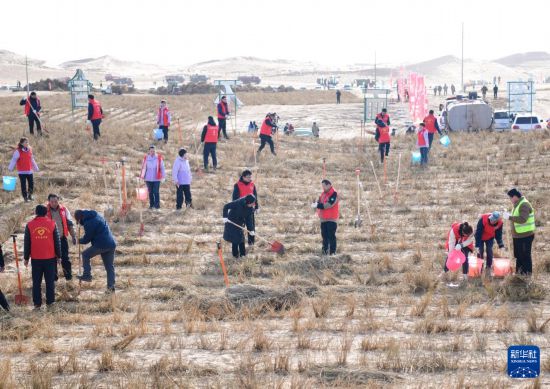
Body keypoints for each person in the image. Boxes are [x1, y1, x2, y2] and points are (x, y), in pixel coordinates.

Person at [24, 205, 62, 309]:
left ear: (36, 212)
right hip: (50, 258)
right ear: (46, 212)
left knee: (36, 282)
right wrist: (59, 256)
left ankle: (37, 304)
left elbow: (27, 242)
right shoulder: (52, 224)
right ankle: (50, 303)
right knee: (50, 282)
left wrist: (26, 258)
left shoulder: (29, 225)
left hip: (36, 259)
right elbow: (57, 242)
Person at [74, 210, 117, 292]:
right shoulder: (96, 215)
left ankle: (87, 275)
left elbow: (87, 239)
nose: (80, 224)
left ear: (80, 219)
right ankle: (111, 288)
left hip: (101, 244)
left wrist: (78, 240)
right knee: (109, 267)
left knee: (85, 255)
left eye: (78, 222)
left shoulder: (88, 222)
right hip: (111, 243)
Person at [503, 188, 535, 275]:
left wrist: (509, 217)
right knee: (518, 256)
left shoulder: (523, 204)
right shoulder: (517, 204)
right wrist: (509, 215)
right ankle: (519, 274)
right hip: (518, 236)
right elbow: (516, 217)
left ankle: (527, 275)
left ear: (515, 196)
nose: (510, 200)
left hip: (525, 236)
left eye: (510, 198)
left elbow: (522, 219)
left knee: (525, 256)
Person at [46, 194, 77, 281]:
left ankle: (68, 277)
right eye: (52, 202)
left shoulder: (64, 210)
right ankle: (54, 279)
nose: (54, 203)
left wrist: (73, 236)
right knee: (52, 260)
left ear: (58, 200)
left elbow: (70, 224)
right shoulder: (45, 211)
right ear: (48, 202)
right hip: (50, 240)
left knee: (65, 258)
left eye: (56, 201)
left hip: (62, 238)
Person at [311, 180, 339, 255]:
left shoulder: (334, 194)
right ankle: (324, 252)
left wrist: (318, 205)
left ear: (329, 185)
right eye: (322, 186)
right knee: (324, 237)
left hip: (331, 219)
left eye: (324, 186)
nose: (323, 187)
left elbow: (329, 204)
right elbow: (319, 203)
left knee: (331, 237)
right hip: (323, 220)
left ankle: (332, 253)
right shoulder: (323, 194)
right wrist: (315, 204)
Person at [232, 170, 259, 248]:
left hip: (250, 210)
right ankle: (241, 244)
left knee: (251, 227)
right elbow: (235, 198)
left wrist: (256, 207)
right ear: (243, 177)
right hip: (241, 210)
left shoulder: (252, 184)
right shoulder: (237, 185)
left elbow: (255, 196)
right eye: (248, 177)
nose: (250, 179)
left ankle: (251, 243)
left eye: (250, 177)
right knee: (240, 228)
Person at [8, 137, 39, 202]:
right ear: (22, 143)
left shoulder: (29, 150)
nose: (27, 143)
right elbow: (14, 160)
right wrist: (10, 168)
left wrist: (36, 167)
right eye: (25, 142)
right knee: (23, 185)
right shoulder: (18, 151)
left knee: (31, 183)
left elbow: (32, 159)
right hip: (22, 172)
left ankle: (30, 195)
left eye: (27, 142)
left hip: (29, 171)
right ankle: (25, 197)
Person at [475, 211, 505, 275]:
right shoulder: (483, 219)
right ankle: (480, 267)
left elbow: (498, 235)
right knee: (480, 251)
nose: (491, 221)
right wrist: (477, 245)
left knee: (489, 249)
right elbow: (478, 233)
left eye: (493, 220)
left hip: (490, 237)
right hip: (480, 237)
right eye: (491, 219)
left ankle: (488, 266)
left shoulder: (500, 223)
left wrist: (501, 245)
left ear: (497, 220)